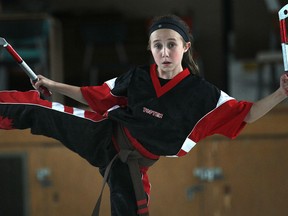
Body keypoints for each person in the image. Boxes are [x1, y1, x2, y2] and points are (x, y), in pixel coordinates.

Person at [1, 14, 288, 216]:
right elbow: (93, 95)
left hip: (132, 167)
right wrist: (51, 84)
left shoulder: (204, 95)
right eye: (158, 45)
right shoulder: (137, 77)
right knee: (38, 110)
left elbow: (247, 115)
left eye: (172, 44)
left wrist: (280, 94)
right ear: (150, 49)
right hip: (102, 135)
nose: (165, 52)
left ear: (186, 47)